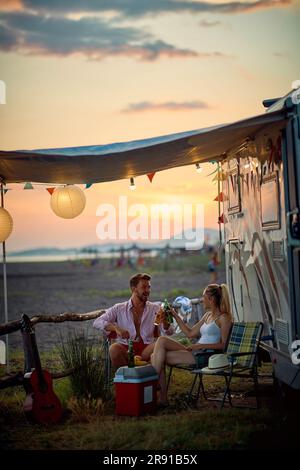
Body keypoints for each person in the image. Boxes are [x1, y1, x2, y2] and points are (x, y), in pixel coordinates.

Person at [151, 283, 233, 404]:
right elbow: (190, 333)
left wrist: (200, 346)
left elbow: (224, 345)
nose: (202, 300)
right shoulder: (207, 316)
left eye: (203, 297)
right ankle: (158, 393)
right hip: (196, 351)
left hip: (206, 356)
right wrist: (174, 314)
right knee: (161, 341)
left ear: (211, 299)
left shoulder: (224, 318)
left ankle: (154, 388)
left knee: (156, 357)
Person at [93, 273, 174, 369]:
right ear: (133, 288)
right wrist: (116, 328)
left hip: (147, 349)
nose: (147, 291)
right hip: (126, 348)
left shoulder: (156, 307)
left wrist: (165, 323)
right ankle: (126, 380)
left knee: (160, 343)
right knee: (114, 349)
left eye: (149, 287)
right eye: (144, 287)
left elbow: (170, 332)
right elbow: (97, 322)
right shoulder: (119, 308)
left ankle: (154, 381)